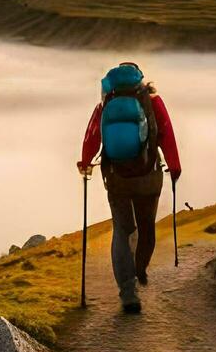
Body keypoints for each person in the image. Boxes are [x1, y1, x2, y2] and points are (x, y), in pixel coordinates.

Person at [77, 62, 181, 313]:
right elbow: (167, 134)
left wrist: (85, 162)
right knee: (146, 228)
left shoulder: (105, 105)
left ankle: (128, 291)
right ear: (140, 80)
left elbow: (92, 136)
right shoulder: (153, 102)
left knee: (122, 231)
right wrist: (175, 167)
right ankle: (140, 268)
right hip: (149, 175)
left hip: (117, 176)